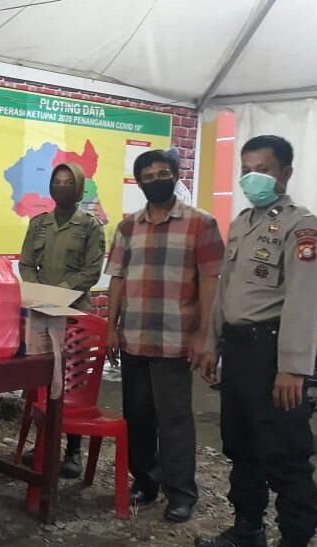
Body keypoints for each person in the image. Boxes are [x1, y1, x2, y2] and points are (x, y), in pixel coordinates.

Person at [195, 135, 317, 547]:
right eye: (246, 169)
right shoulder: (242, 224)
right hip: (238, 349)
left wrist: (292, 367)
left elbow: (303, 302)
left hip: (273, 353)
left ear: (285, 174)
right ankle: (247, 529)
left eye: (263, 170)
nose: (253, 178)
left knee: (285, 454)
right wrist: (211, 343)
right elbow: (226, 292)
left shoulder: (303, 228)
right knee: (242, 445)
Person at [105, 149, 224, 524]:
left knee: (174, 420)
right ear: (139, 182)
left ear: (175, 176)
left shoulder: (201, 223)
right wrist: (110, 327)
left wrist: (205, 336)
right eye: (148, 175)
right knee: (137, 416)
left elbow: (210, 282)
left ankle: (181, 493)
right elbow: (117, 279)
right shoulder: (127, 227)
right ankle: (145, 481)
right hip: (134, 337)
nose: (156, 180)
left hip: (175, 340)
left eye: (163, 173)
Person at [18, 162, 106, 477]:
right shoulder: (39, 224)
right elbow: (26, 263)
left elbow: (92, 271)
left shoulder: (90, 227)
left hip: (74, 314)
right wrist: (39, 293)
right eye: (57, 181)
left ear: (79, 188)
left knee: (72, 380)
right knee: (42, 379)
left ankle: (73, 452)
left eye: (69, 182)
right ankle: (44, 443)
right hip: (41, 312)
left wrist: (60, 293)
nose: (62, 186)